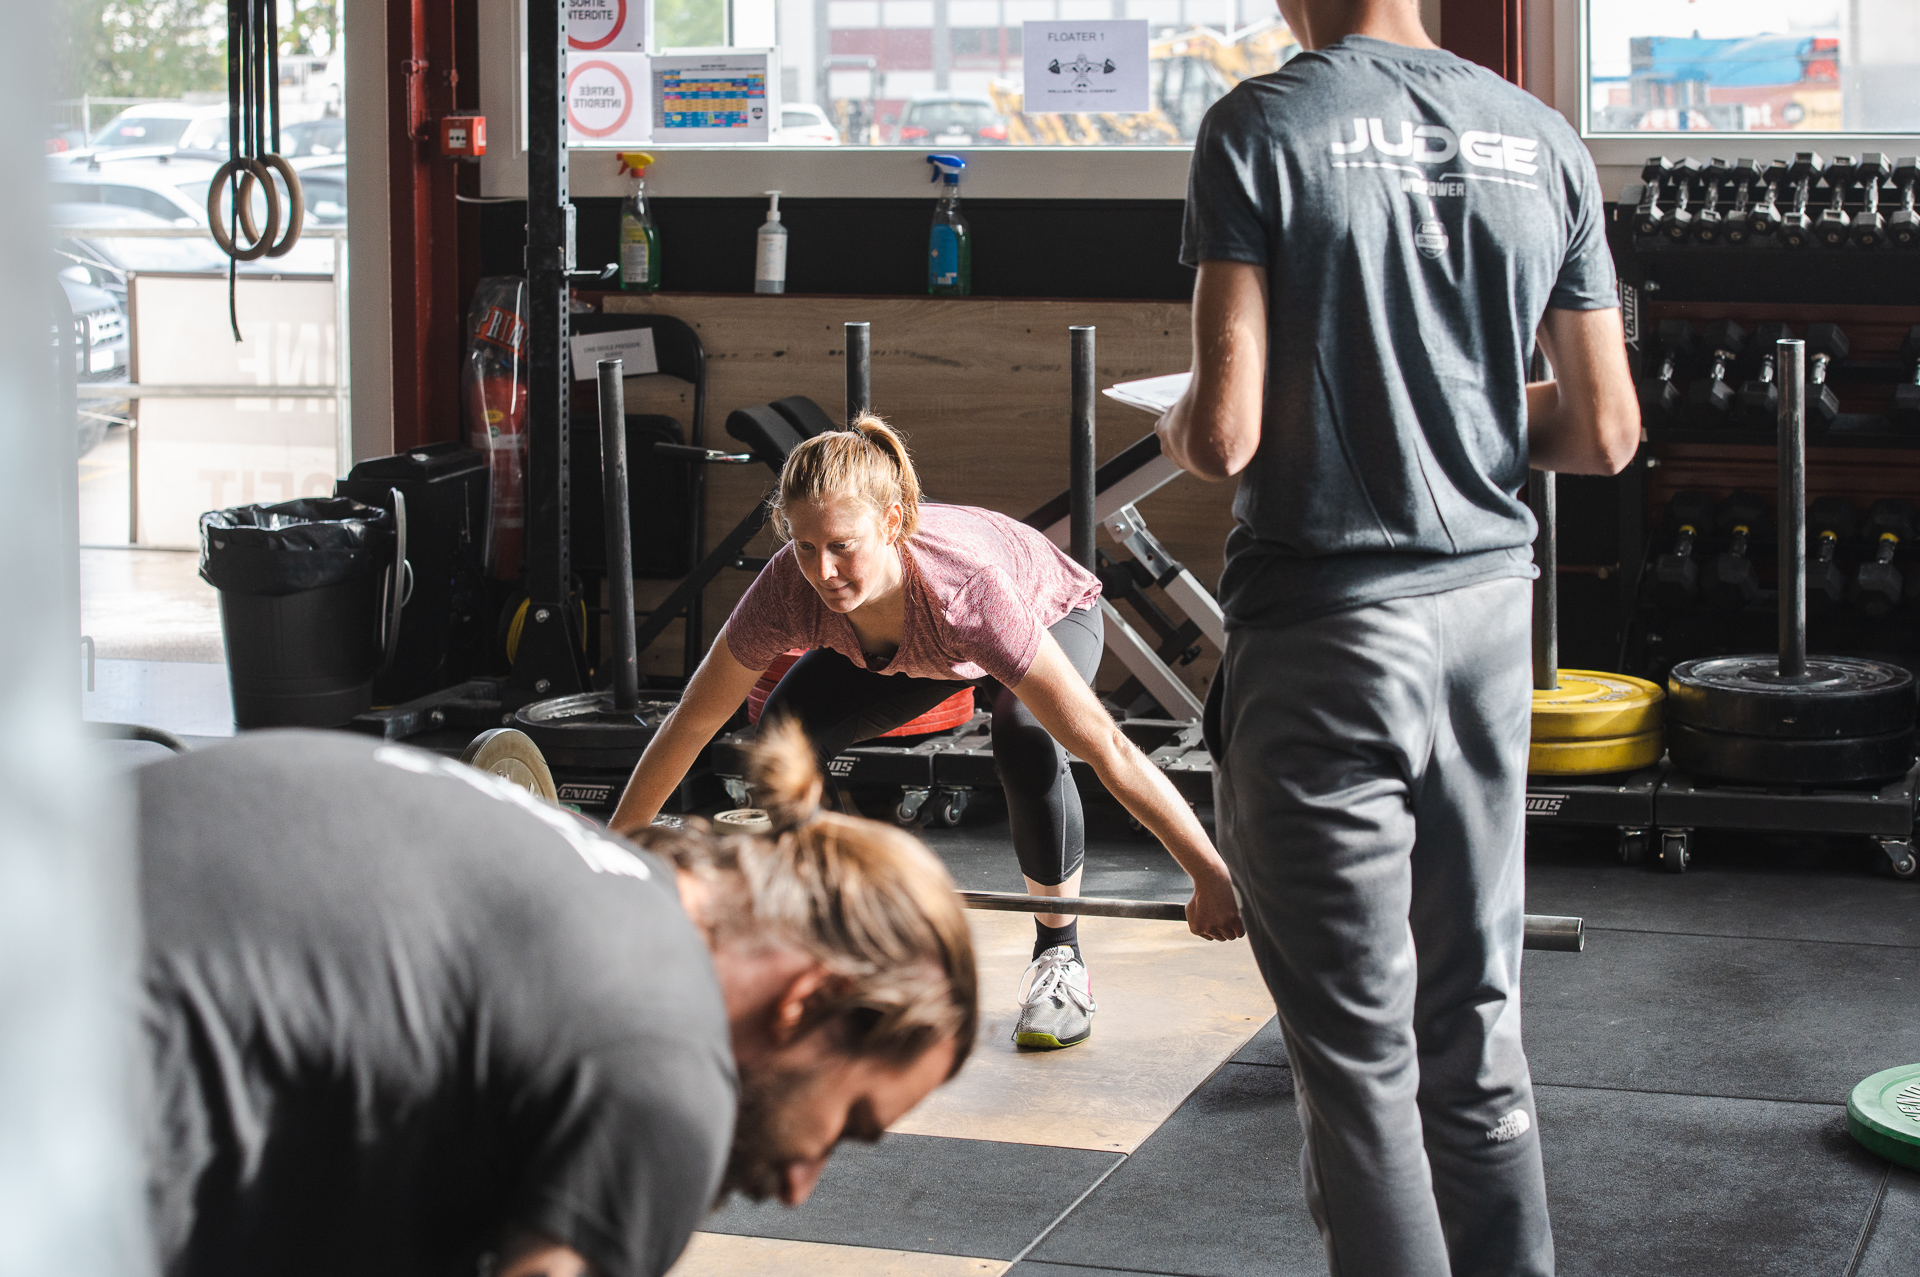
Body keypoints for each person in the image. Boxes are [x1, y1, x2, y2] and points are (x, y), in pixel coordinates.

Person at [1155, 1, 1639, 1273]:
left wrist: (1175, 425)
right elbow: (1604, 430)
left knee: (1360, 1062)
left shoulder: (1261, 124)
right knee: (1475, 1023)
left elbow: (1222, 438)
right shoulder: (1545, 137)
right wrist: (1462, 410)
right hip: (1486, 631)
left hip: (1326, 636)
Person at [138, 724, 976, 1277]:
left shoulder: (586, 876)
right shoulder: (668, 1070)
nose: (801, 1183)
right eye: (847, 1124)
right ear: (809, 1000)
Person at [611, 415, 1245, 1051]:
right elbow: (694, 717)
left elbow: (1106, 747)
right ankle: (820, 937)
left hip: (1048, 611)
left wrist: (1209, 873)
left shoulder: (966, 593)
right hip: (913, 644)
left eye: (841, 545)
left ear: (891, 524)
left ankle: (1061, 960)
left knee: (1024, 735)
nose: (823, 570)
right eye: (805, 546)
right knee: (783, 738)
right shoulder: (789, 586)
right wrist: (612, 850)